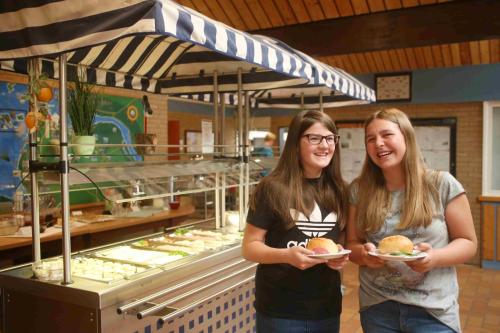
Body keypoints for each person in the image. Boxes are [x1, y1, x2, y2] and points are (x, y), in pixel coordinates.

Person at [346, 108, 477, 333]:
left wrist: (434, 257)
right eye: (371, 138)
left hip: (432, 312)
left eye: (387, 135)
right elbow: (352, 244)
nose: (378, 143)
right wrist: (365, 256)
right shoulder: (359, 189)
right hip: (378, 309)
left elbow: (468, 242)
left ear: (406, 136)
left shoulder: (442, 184)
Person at [242, 110, 350, 333]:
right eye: (314, 138)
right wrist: (287, 256)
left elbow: (339, 240)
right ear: (295, 142)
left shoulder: (340, 189)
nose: (325, 145)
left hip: (326, 307)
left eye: (330, 138)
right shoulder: (272, 187)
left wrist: (339, 255)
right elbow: (249, 247)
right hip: (280, 309)